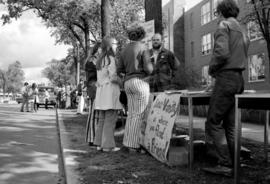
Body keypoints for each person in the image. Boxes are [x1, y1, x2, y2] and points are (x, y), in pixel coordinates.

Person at [203, 0, 250, 175]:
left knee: (213, 122)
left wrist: (211, 69)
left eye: (216, 13)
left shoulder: (223, 25)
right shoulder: (242, 28)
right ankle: (236, 163)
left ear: (220, 12)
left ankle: (224, 163)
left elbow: (221, 53)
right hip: (239, 79)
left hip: (226, 79)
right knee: (230, 126)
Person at [117, 24, 153, 152]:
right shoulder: (143, 47)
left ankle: (128, 143)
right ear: (141, 35)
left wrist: (128, 73)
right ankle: (133, 146)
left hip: (127, 82)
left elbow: (119, 70)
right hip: (140, 81)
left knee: (132, 114)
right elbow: (149, 69)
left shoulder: (124, 50)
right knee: (139, 114)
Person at [93, 36, 123, 152]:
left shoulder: (100, 59)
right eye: (115, 43)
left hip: (101, 91)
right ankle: (108, 146)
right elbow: (113, 77)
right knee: (110, 119)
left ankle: (99, 144)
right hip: (109, 91)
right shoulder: (110, 58)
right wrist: (122, 82)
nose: (117, 45)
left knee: (102, 119)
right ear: (110, 45)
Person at [85, 42, 102, 146]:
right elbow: (98, 73)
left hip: (93, 87)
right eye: (101, 49)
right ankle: (92, 138)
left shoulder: (92, 59)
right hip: (94, 87)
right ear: (97, 49)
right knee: (93, 114)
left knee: (94, 113)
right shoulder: (93, 60)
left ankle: (92, 138)